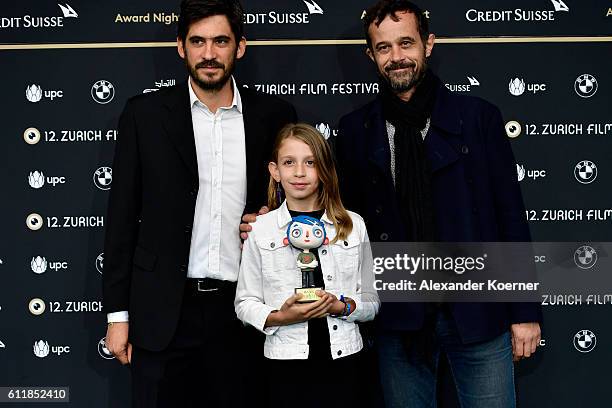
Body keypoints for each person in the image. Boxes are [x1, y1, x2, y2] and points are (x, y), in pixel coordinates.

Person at [333, 1, 542, 407]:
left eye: (406, 43)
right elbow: (344, 222)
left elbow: (510, 217)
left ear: (428, 45)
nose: (397, 58)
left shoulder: (478, 117)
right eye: (384, 48)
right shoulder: (356, 131)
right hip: (399, 317)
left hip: (479, 313)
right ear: (370, 55)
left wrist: (524, 311)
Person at [101, 0, 296, 406]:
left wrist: (272, 219)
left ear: (239, 47)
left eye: (220, 41)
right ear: (180, 47)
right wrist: (118, 317)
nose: (209, 54)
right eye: (198, 41)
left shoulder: (273, 115)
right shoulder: (145, 115)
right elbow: (121, 218)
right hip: (162, 315)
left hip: (244, 312)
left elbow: (295, 204)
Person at [235, 123, 380, 408]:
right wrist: (279, 317)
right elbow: (245, 302)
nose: (299, 172)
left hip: (345, 360)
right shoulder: (261, 230)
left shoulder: (353, 225)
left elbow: (371, 302)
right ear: (275, 171)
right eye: (289, 163)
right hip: (285, 366)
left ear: (324, 169)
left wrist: (343, 307)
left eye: (310, 163)